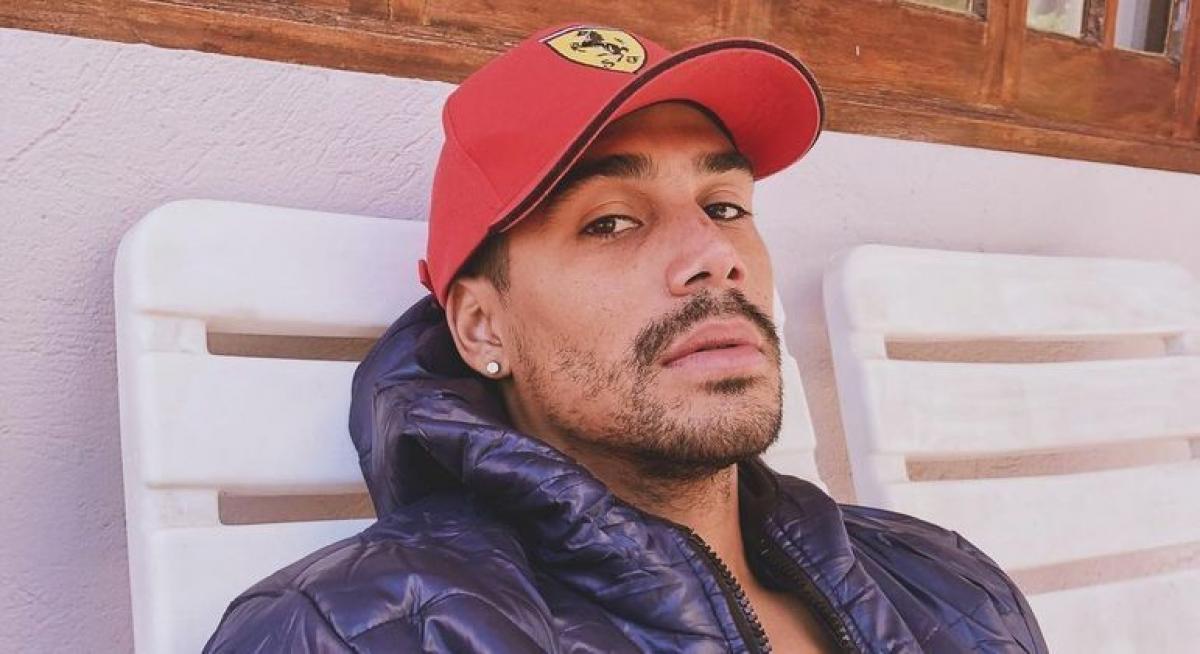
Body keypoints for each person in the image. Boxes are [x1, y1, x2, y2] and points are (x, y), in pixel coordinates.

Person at [204, 23, 1046, 653]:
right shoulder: (355, 632)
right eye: (610, 222)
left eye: (725, 206)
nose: (715, 255)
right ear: (482, 325)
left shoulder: (945, 579)